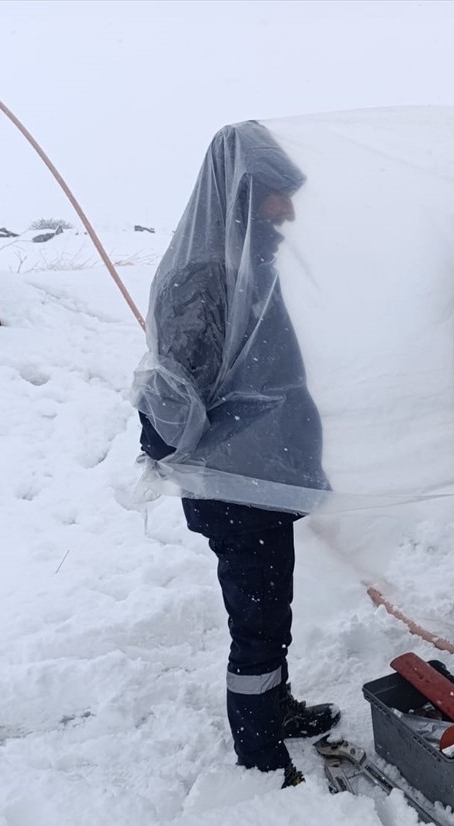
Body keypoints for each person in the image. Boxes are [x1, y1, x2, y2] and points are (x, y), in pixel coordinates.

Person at [133, 121, 339, 786]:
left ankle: (274, 705)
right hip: (235, 487)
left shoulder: (251, 265)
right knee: (255, 621)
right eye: (280, 193)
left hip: (262, 479)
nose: (290, 208)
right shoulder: (207, 279)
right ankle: (258, 751)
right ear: (246, 193)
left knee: (268, 610)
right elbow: (175, 391)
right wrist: (158, 441)